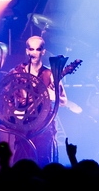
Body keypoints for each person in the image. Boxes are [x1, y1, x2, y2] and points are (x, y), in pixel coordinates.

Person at [8, 35, 67, 166]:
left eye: (38, 49)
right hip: (23, 128)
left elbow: (64, 101)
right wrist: (14, 112)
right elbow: (5, 98)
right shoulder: (16, 72)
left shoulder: (50, 74)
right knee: (21, 163)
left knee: (42, 162)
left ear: (43, 52)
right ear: (27, 51)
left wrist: (54, 96)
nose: (34, 53)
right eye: (31, 49)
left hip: (44, 127)